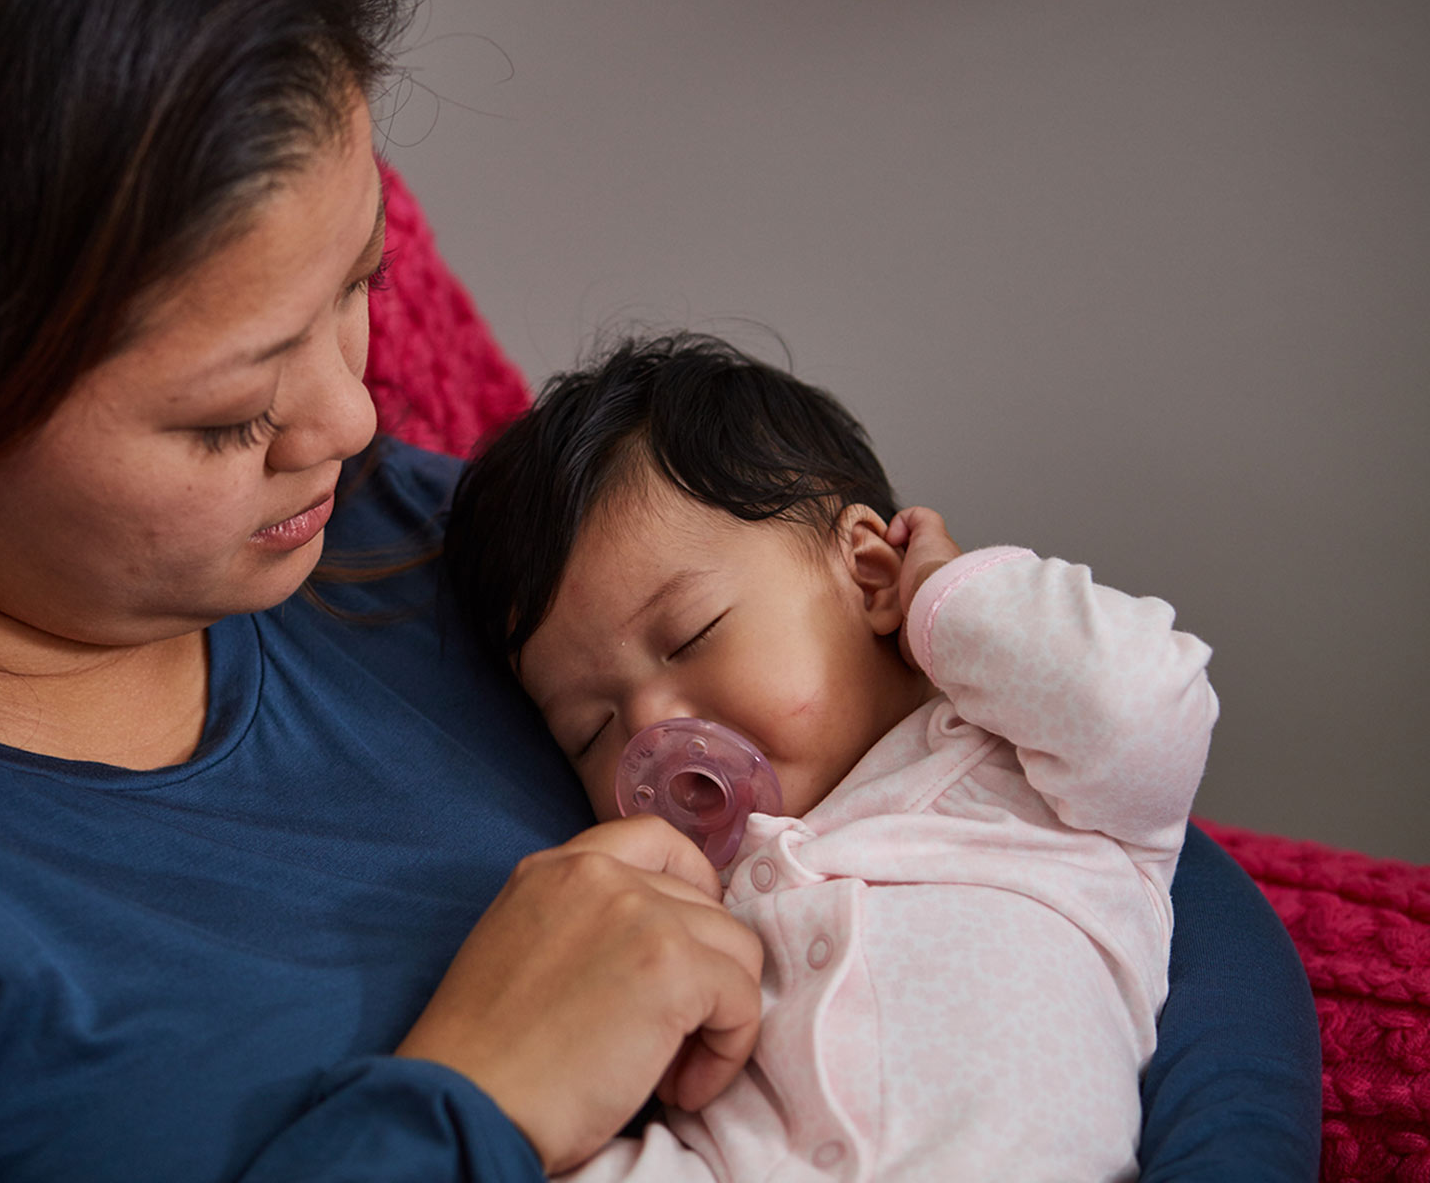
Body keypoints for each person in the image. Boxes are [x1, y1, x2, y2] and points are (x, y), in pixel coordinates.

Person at [0, 0, 1319, 1181]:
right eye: (233, 413)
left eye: (358, 284)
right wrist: (475, 1103)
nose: (356, 418)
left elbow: (1115, 863)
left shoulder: (444, 552)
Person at [443, 332, 1245, 1179]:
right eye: (590, 731)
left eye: (692, 636)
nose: (651, 729)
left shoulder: (1035, 773)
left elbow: (1145, 701)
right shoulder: (685, 896)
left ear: (866, 575)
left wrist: (943, 596)